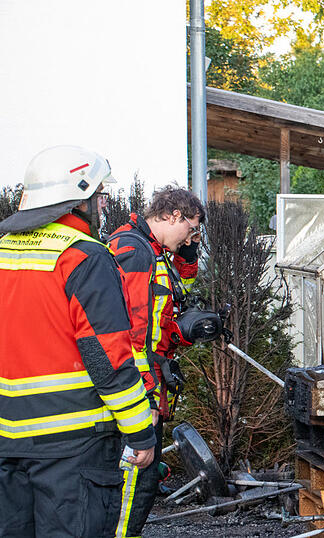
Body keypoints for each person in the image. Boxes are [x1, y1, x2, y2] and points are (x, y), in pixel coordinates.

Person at [0, 145, 155, 537]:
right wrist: (140, 432)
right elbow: (108, 358)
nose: (103, 207)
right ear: (78, 199)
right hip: (74, 448)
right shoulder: (83, 257)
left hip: (6, 442)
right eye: (99, 197)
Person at [107, 186, 204, 538]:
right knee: (134, 481)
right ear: (173, 216)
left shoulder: (154, 251)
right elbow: (129, 334)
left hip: (151, 377)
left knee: (144, 481)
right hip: (138, 386)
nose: (191, 238)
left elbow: (174, 293)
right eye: (190, 230)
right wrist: (145, 398)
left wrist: (181, 330)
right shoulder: (134, 252)